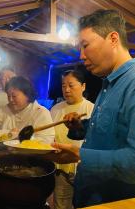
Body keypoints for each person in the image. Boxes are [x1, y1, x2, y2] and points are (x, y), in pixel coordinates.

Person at [46, 9, 135, 208]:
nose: (81, 56)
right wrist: (79, 127)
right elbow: (110, 132)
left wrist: (79, 154)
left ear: (113, 39)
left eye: (85, 46)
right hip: (92, 197)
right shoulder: (110, 83)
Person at [50, 70, 94, 209]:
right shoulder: (56, 109)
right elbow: (49, 135)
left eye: (71, 85)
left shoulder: (91, 108)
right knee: (61, 205)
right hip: (60, 169)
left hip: (83, 169)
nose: (66, 90)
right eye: (63, 86)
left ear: (83, 86)